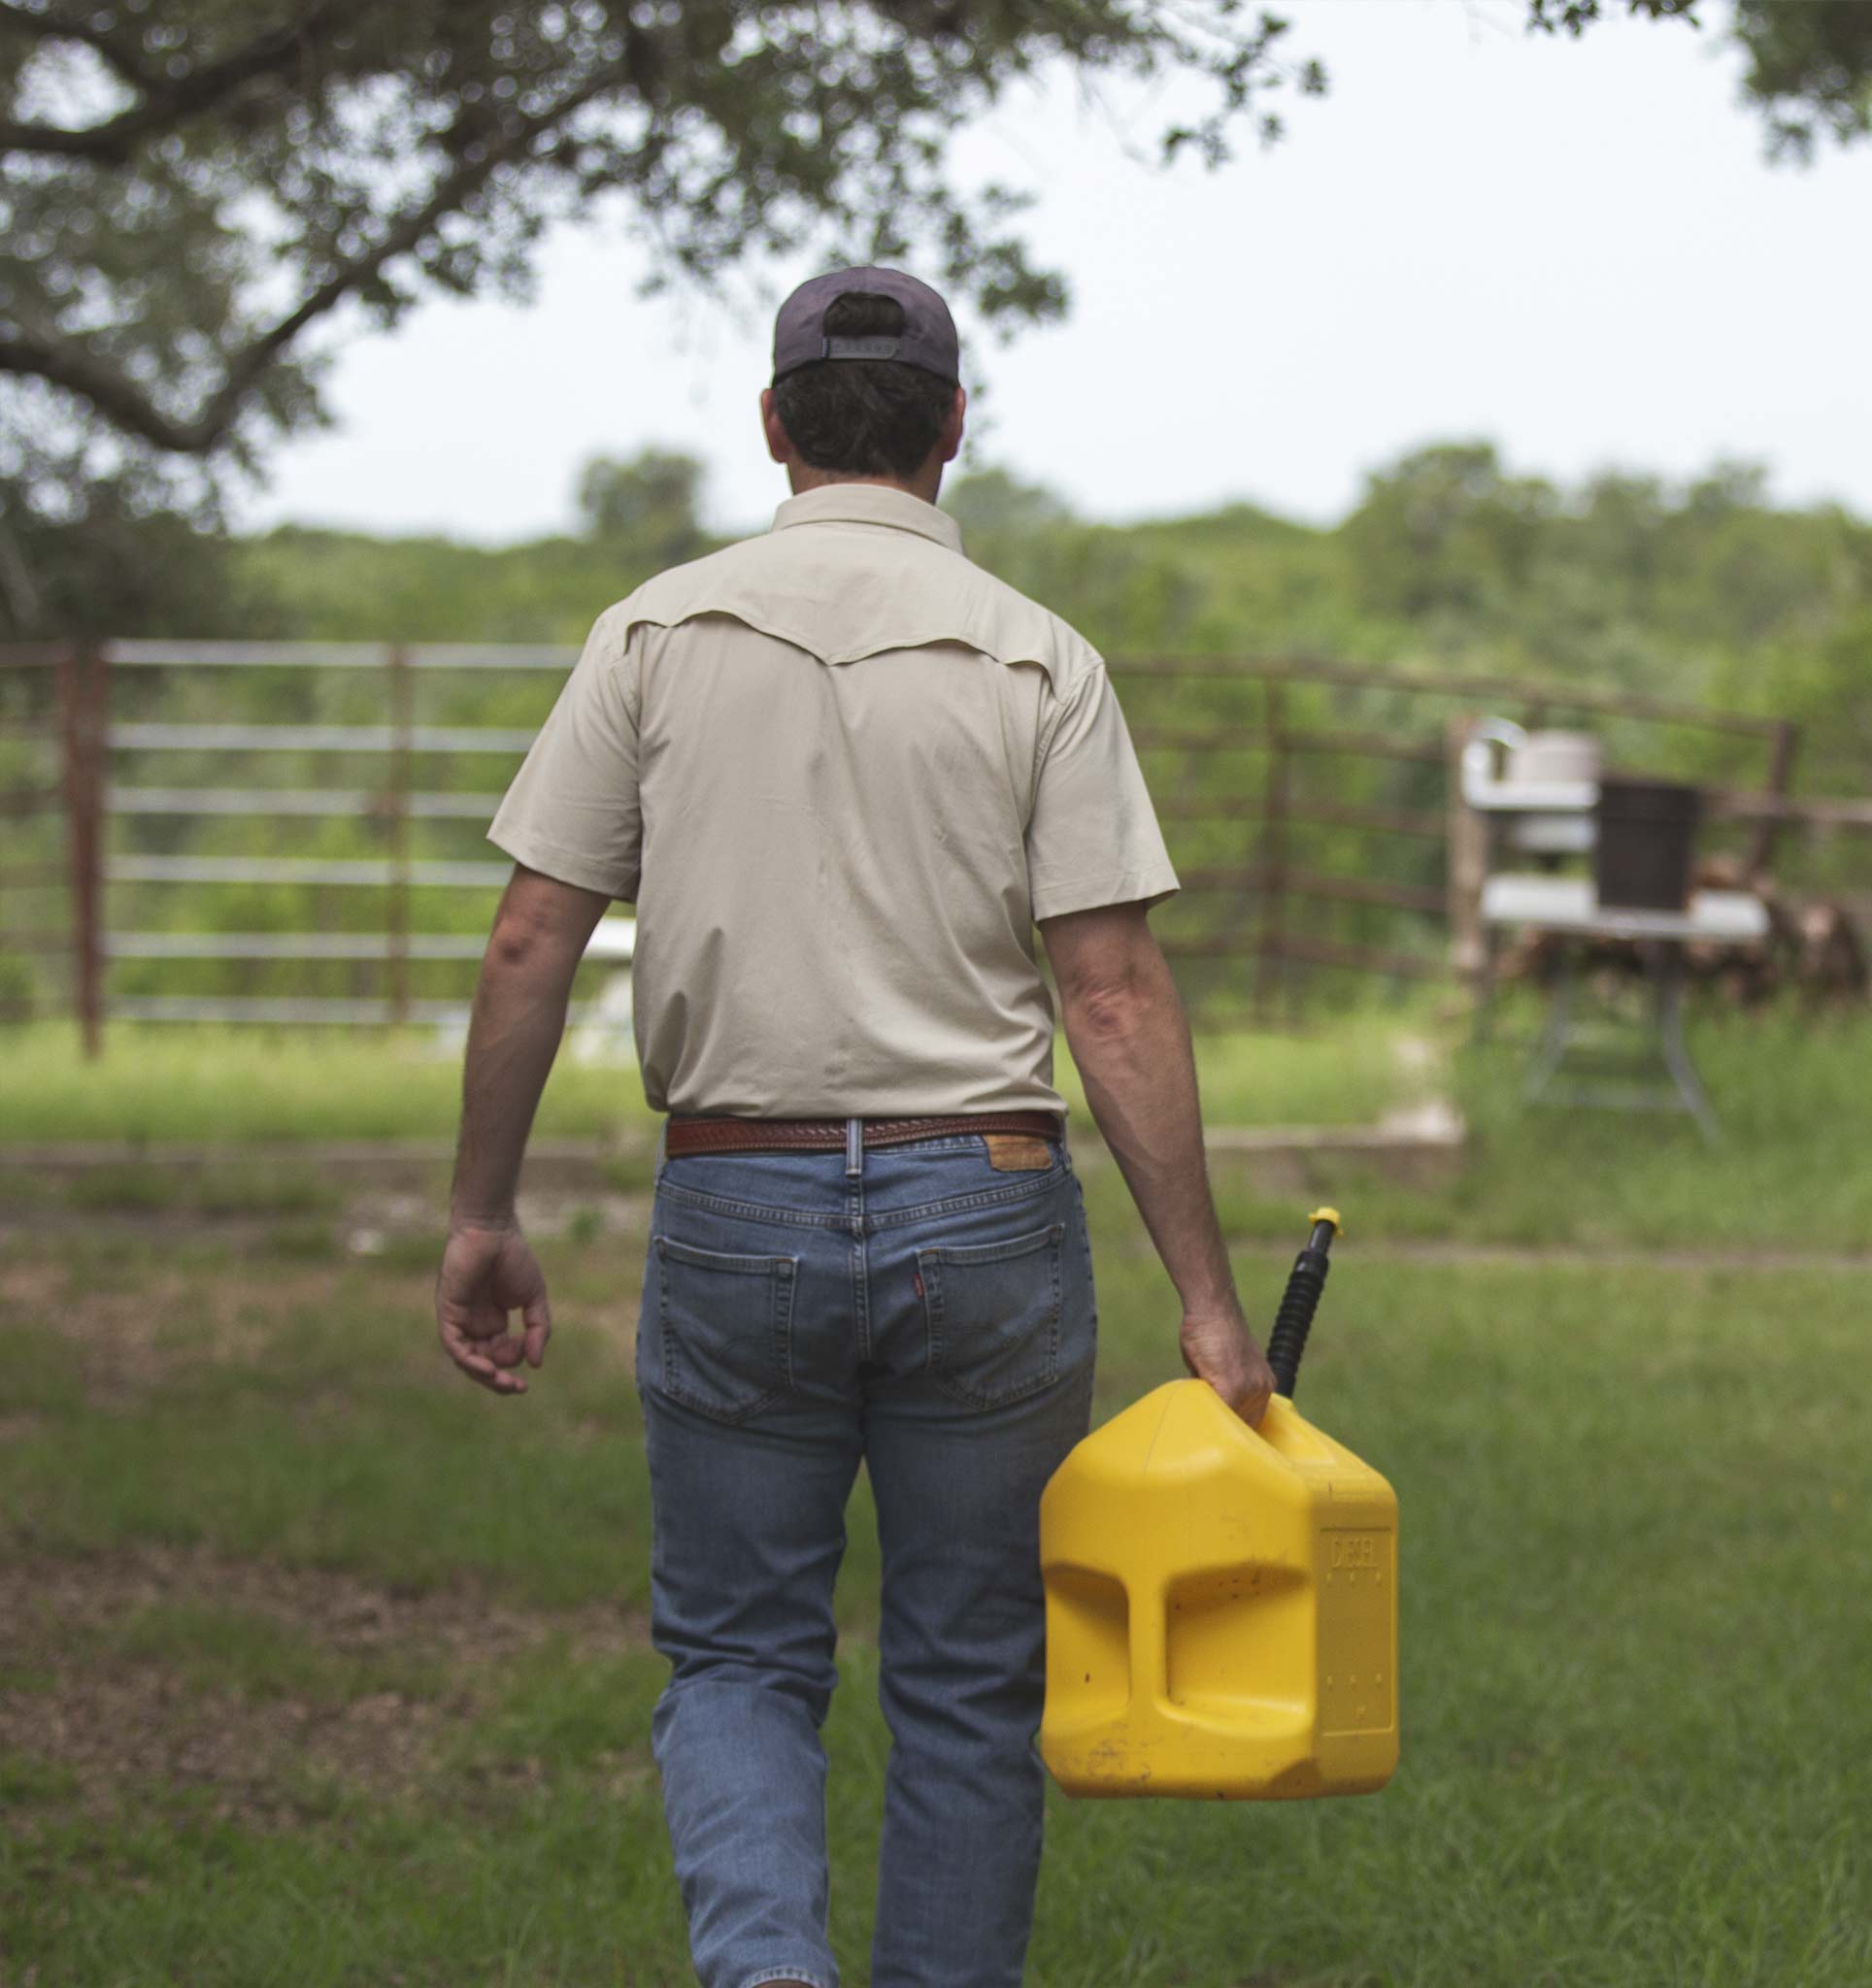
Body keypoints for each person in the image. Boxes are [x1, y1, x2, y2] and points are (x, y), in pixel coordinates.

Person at [433, 265, 1275, 1988]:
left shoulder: (654, 636)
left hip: (738, 1205)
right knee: (971, 1668)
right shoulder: (1043, 657)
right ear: (956, 431)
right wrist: (1205, 1300)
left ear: (773, 427)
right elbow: (1109, 992)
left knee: (740, 1660)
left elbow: (533, 932)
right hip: (989, 1208)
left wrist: (483, 1209)